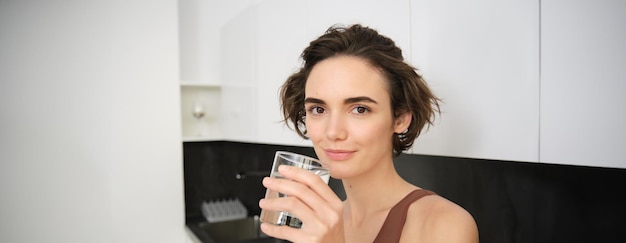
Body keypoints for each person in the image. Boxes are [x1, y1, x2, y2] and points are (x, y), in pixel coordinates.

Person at [258, 24, 479, 243]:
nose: (333, 132)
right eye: (319, 109)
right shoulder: (317, 223)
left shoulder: (444, 225)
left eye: (359, 109)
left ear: (400, 118)